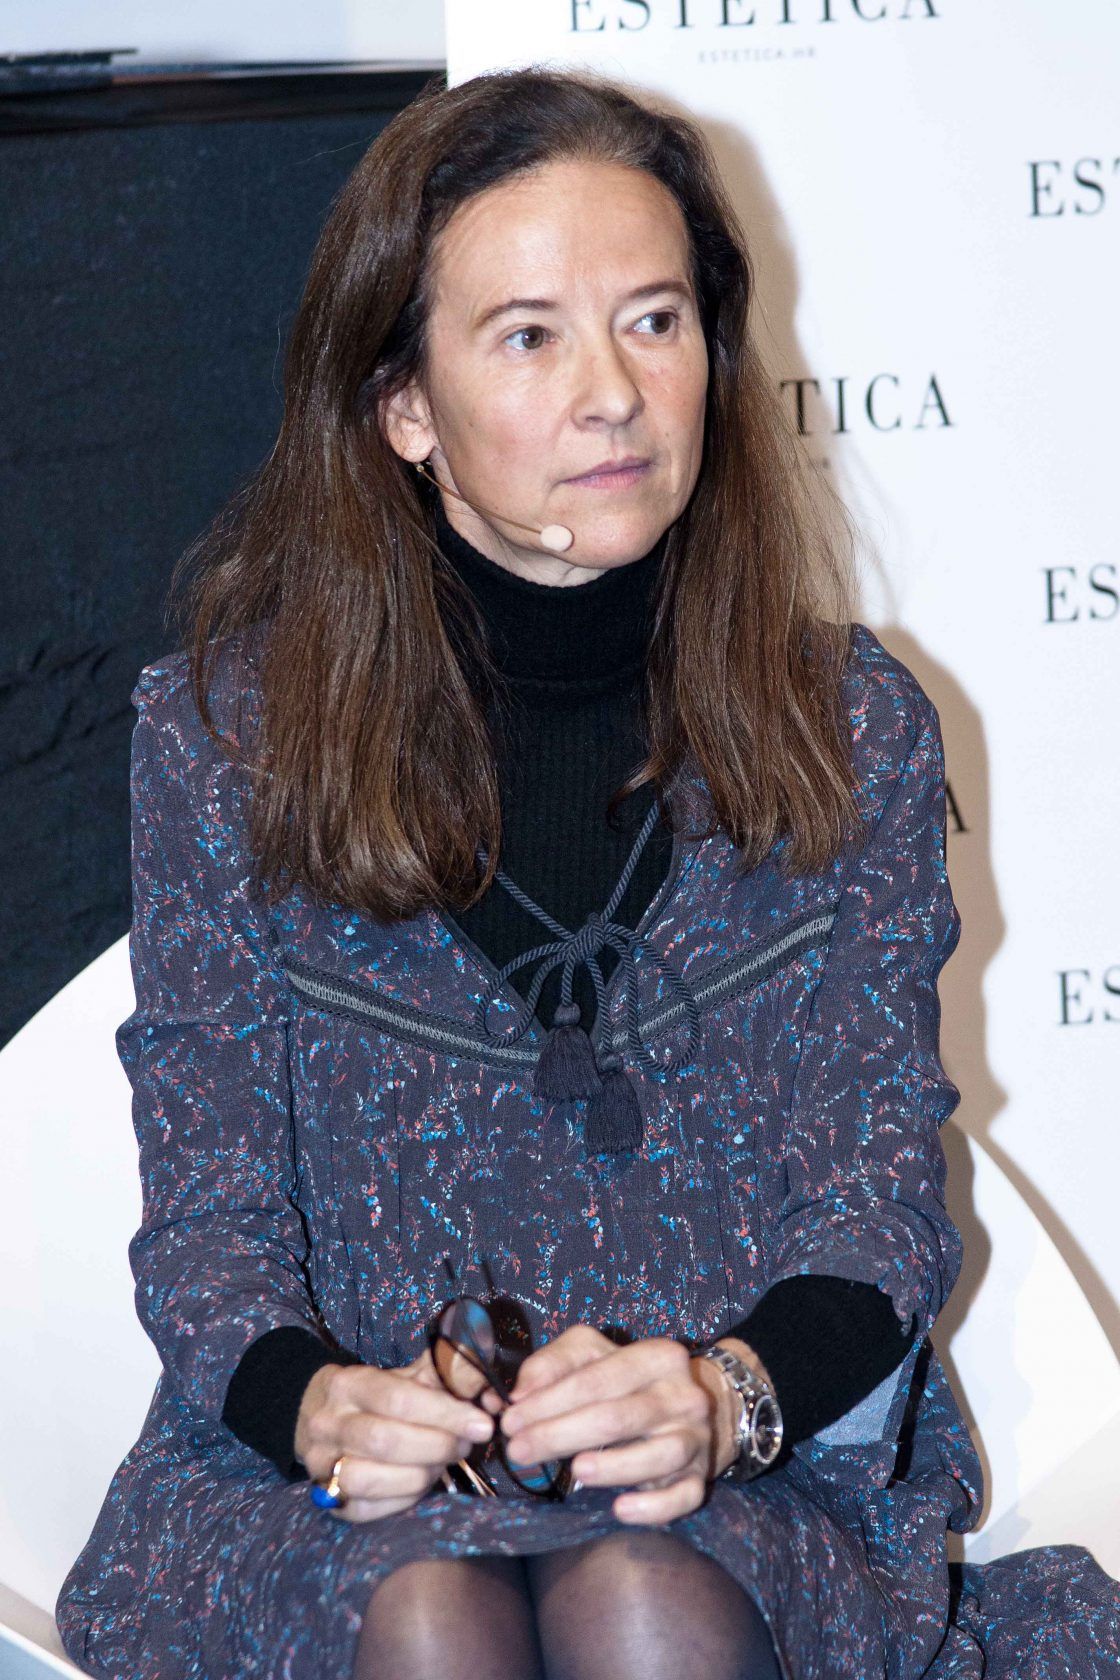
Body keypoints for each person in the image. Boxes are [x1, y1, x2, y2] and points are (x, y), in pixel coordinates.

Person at [56, 65, 1120, 1680]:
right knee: (431, 1613)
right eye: (530, 337)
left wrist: (723, 1399)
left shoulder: (847, 723)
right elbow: (211, 1219)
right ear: (405, 409)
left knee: (641, 1600)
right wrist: (322, 1405)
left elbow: (876, 1203)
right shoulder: (229, 738)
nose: (615, 393)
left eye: (655, 320)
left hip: (747, 1481)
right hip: (337, 1491)